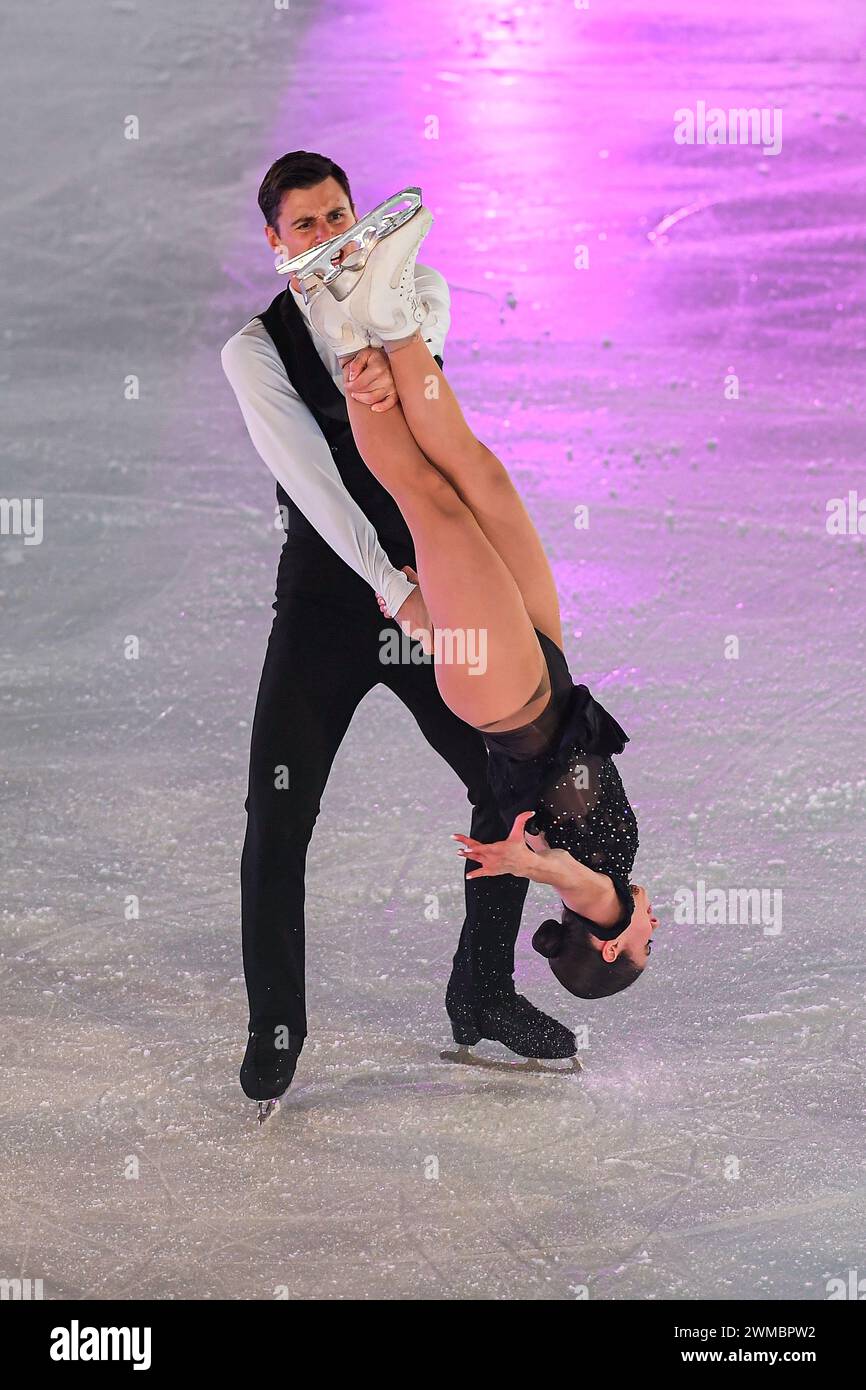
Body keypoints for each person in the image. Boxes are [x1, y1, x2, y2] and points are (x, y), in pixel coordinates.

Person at [221, 153, 578, 1120]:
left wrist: (433, 588)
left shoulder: (417, 291)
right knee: (277, 807)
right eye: (306, 225)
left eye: (340, 214)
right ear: (276, 241)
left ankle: (483, 988)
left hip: (433, 574)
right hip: (338, 596)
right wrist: (394, 594)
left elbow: (422, 438)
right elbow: (317, 487)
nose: (329, 234)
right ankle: (277, 1023)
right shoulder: (255, 351)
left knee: (506, 777)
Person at [298, 196, 660, 1014]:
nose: (650, 928)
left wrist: (530, 866)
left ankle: (342, 329)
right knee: (477, 472)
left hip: (507, 695)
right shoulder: (611, 871)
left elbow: (568, 873)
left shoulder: (600, 897)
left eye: (642, 948)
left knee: (431, 501)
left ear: (608, 944)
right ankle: (387, 312)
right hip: (543, 676)